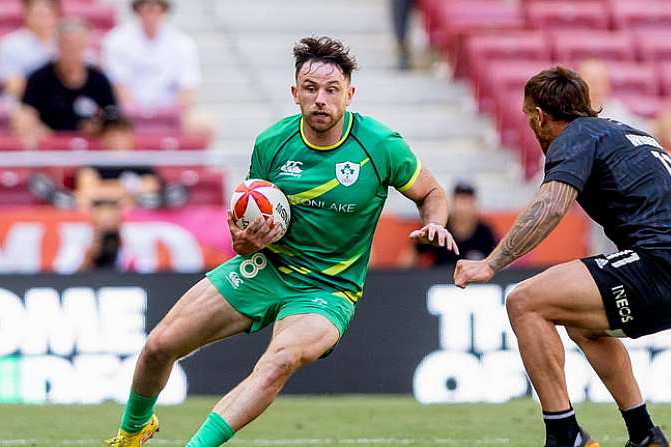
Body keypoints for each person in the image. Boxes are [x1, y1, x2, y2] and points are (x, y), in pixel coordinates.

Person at [104, 36, 459, 447]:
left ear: (350, 94)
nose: (320, 99)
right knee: (159, 345)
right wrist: (244, 242)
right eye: (310, 89)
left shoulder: (380, 146)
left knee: (280, 361)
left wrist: (435, 223)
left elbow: (431, 193)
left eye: (331, 90)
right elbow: (245, 225)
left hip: (327, 289)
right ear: (295, 93)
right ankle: (132, 433)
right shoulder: (272, 144)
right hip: (265, 268)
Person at [454, 67, 671, 447]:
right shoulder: (629, 133)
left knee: (524, 302)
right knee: (582, 323)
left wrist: (490, 263)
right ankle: (645, 436)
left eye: (529, 116)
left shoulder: (574, 137)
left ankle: (565, 436)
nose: (531, 125)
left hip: (664, 265)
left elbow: (550, 208)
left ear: (539, 116)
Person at [102, 0, 212, 137]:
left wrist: (168, 113)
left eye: (155, 7)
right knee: (109, 123)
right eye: (147, 7)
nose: (151, 13)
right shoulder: (116, 40)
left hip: (171, 112)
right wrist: (141, 113)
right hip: (128, 112)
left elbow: (187, 89)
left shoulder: (183, 43)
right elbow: (118, 87)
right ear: (137, 9)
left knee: (203, 124)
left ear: (164, 10)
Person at [13, 18, 116, 147]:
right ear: (57, 46)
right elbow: (26, 113)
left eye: (78, 46)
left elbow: (112, 111)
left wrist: (99, 124)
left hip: (91, 149)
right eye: (67, 45)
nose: (72, 51)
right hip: (49, 147)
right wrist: (49, 138)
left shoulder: (98, 79)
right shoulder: (39, 79)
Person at [403, 181, 496, 266]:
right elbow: (410, 256)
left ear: (474, 204)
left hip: (474, 282)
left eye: (467, 202)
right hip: (440, 280)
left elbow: (497, 260)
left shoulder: (485, 232)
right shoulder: (439, 228)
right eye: (460, 201)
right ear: (452, 202)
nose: (463, 208)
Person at [0, 0, 60, 99]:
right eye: (39, 13)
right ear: (26, 13)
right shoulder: (9, 44)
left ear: (56, 13)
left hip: (63, 104)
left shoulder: (66, 42)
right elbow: (13, 86)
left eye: (47, 12)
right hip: (23, 104)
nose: (43, 18)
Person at [578, 59, 646, 130]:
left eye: (601, 81)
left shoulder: (616, 108)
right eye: (592, 81)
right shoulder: (571, 113)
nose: (596, 87)